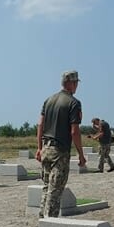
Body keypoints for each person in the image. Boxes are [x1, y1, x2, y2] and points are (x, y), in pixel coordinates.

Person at [36, 70, 86, 218]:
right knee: (55, 191)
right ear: (71, 83)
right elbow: (74, 132)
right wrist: (81, 155)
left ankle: (42, 222)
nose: (77, 85)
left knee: (46, 188)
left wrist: (39, 148)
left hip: (46, 148)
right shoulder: (73, 103)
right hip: (60, 151)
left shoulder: (49, 100)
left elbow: (40, 125)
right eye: (76, 83)